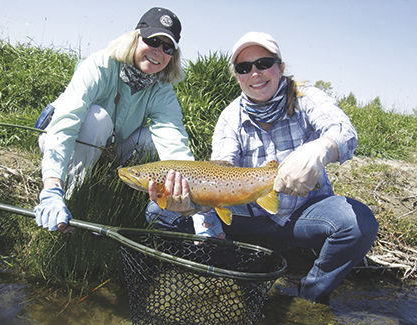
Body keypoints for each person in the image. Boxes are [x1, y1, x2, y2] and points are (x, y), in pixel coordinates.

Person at [146, 31, 379, 303]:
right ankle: (233, 268)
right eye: (244, 68)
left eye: (264, 63)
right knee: (159, 211)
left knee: (358, 223)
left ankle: (311, 296)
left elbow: (345, 132)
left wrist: (321, 148)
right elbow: (220, 175)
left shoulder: (307, 98)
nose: (255, 73)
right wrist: (195, 207)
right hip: (246, 219)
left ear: (280, 67)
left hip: (300, 216)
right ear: (237, 76)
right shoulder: (230, 117)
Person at [34, 7, 199, 233]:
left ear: (173, 55)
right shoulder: (99, 65)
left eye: (167, 47)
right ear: (135, 38)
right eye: (152, 41)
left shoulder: (162, 90)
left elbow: (174, 143)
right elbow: (66, 123)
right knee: (97, 119)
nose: (158, 52)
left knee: (150, 141)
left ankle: (110, 188)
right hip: (66, 141)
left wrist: (184, 190)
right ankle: (71, 196)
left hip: (111, 148)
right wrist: (52, 186)